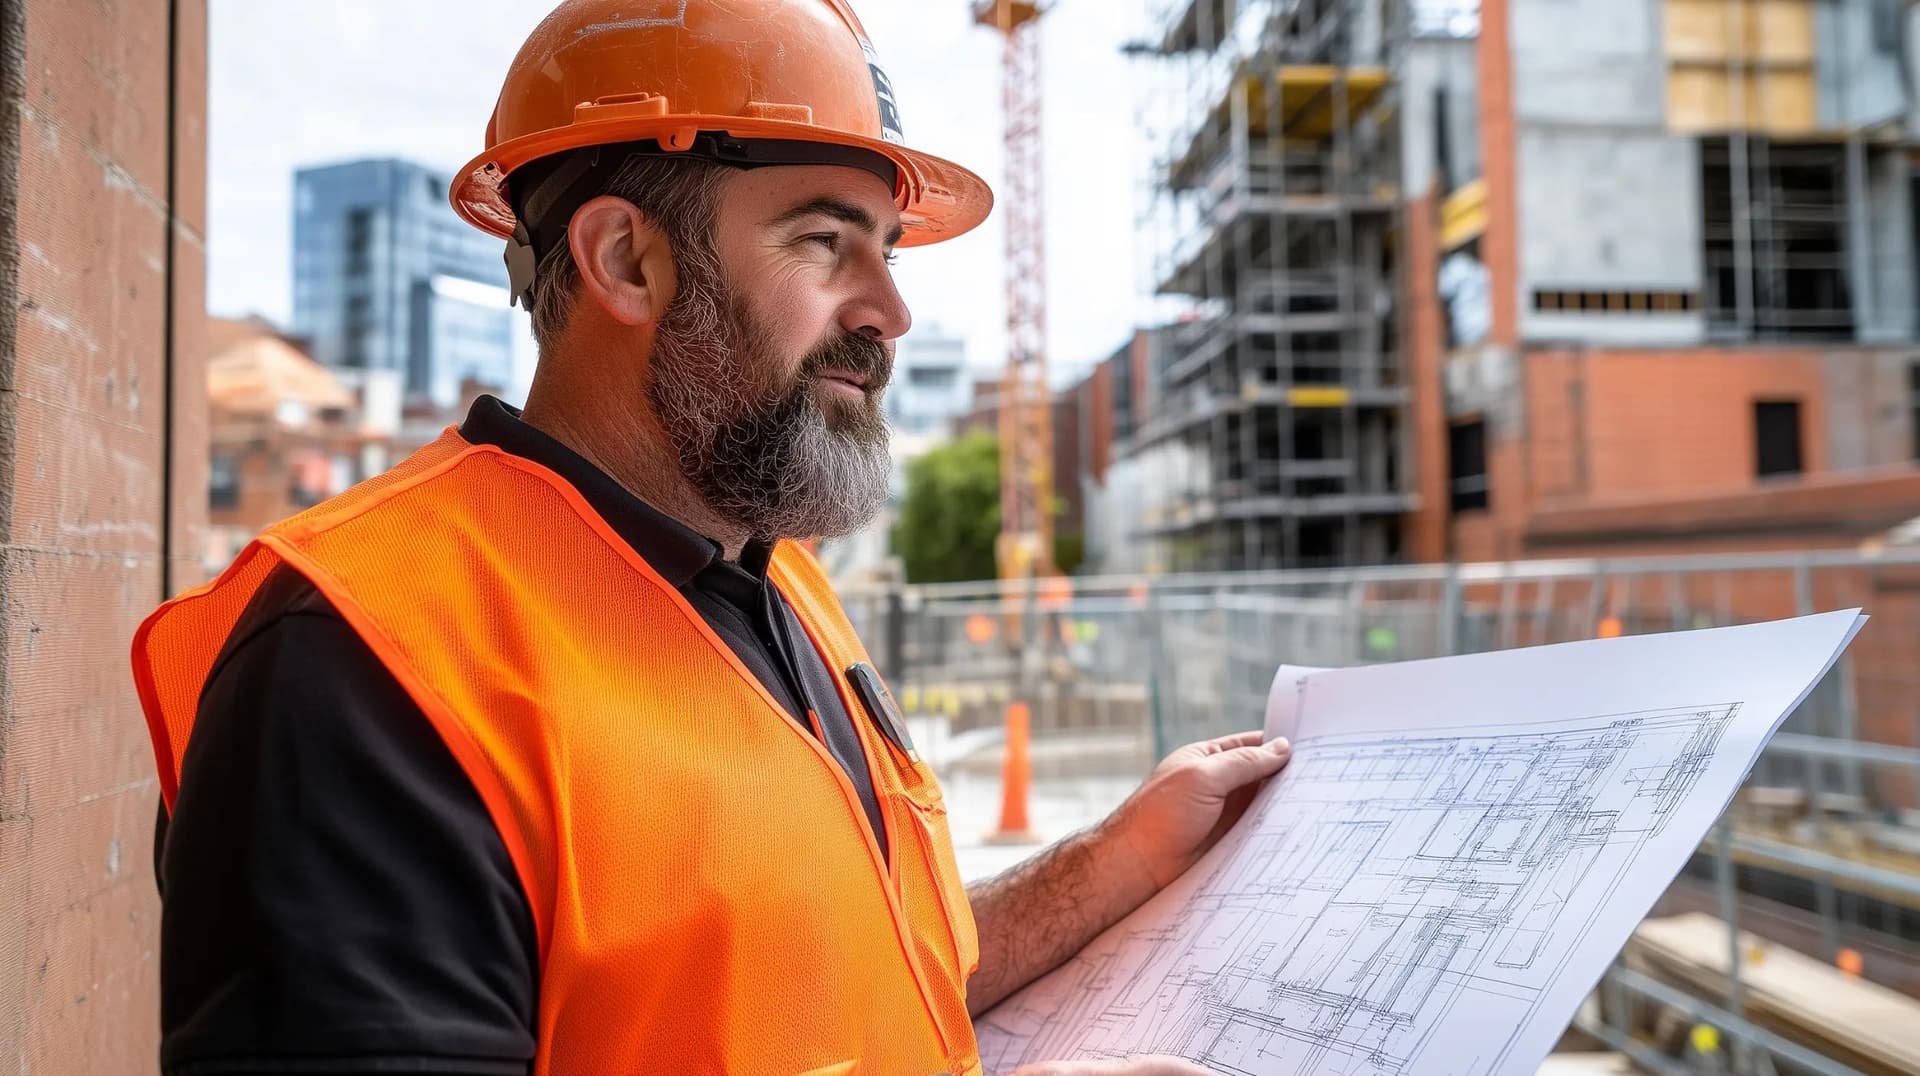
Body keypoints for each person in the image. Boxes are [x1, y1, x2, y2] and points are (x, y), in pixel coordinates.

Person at [131, 2, 1293, 1073]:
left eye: (888, 249)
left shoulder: (780, 583)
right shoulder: (360, 660)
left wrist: (1121, 856)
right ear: (626, 260)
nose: (890, 310)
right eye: (826, 241)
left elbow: (867, 971)